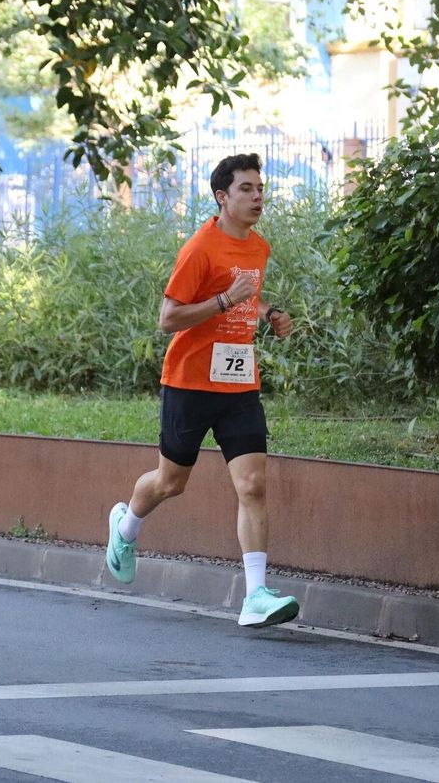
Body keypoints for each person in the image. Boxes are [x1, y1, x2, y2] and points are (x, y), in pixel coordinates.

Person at [103, 153, 300, 628]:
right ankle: (125, 527)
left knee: (252, 484)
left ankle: (255, 596)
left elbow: (247, 299)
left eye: (260, 188)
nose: (257, 197)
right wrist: (223, 301)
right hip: (189, 382)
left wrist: (268, 314)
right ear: (222, 197)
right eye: (247, 189)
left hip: (238, 382)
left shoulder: (259, 248)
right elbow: (168, 317)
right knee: (171, 482)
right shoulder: (200, 248)